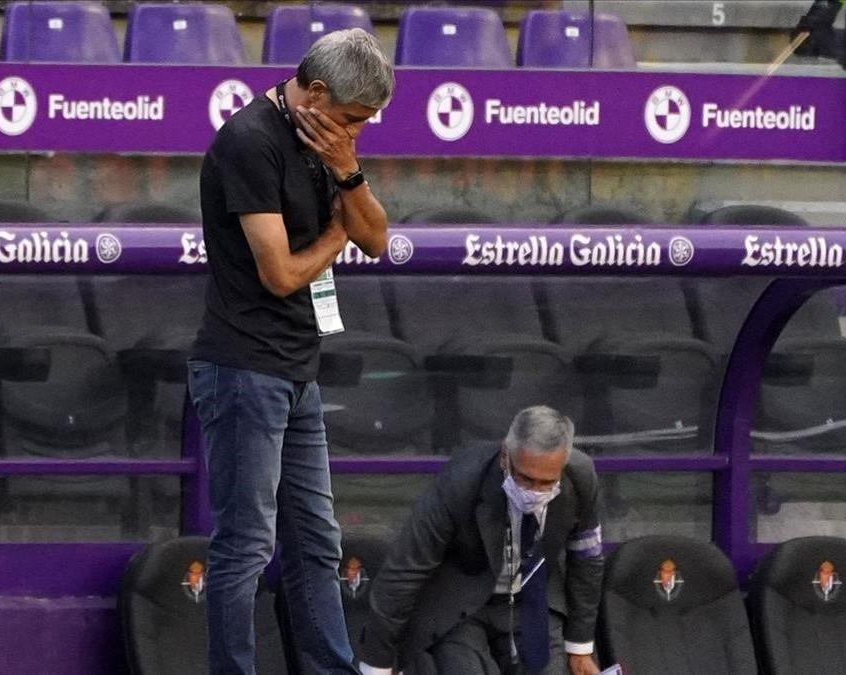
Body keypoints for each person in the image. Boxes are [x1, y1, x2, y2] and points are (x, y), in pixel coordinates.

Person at [187, 28, 394, 675]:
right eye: (352, 119)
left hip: (298, 368)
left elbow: (379, 238)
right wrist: (339, 232)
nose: (356, 132)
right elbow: (279, 272)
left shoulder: (329, 145)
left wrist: (347, 172)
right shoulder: (250, 141)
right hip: (244, 365)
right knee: (247, 543)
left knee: (316, 540)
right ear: (317, 93)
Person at [358, 406, 605, 675]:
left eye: (546, 483)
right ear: (504, 456)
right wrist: (378, 665)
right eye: (525, 478)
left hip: (534, 601)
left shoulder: (582, 477)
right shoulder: (461, 479)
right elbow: (406, 568)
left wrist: (580, 647)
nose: (534, 492)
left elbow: (586, 559)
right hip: (461, 602)